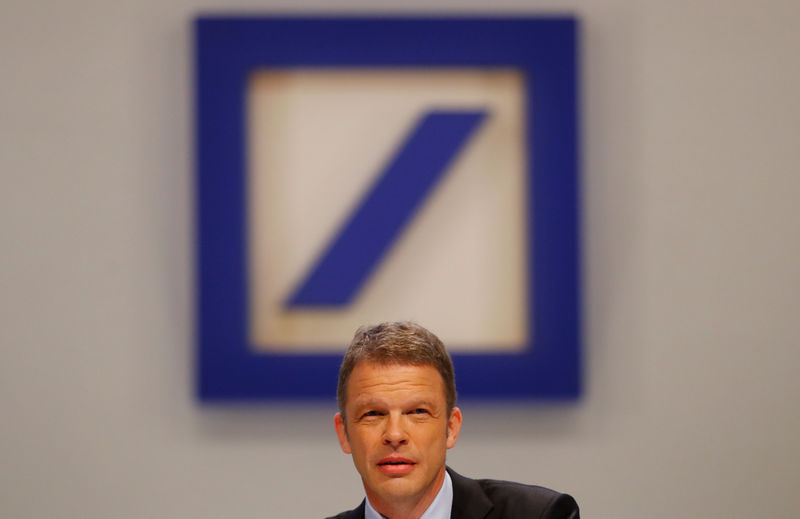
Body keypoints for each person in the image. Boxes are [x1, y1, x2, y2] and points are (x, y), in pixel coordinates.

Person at [328, 321, 580, 519]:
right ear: (344, 433)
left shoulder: (538, 515)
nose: (394, 434)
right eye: (373, 414)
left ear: (451, 427)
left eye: (417, 412)